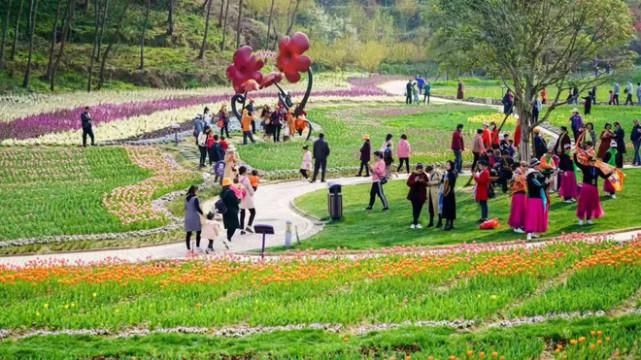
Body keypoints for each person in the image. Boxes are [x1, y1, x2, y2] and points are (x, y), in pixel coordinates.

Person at [574, 152, 611, 225]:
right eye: (591, 161)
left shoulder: (597, 169)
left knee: (591, 204)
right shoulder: (585, 167)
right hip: (586, 187)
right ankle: (580, 219)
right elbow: (577, 163)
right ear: (588, 161)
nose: (593, 163)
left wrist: (611, 173)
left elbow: (604, 176)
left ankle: (588, 219)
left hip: (594, 188)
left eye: (594, 161)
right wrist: (575, 155)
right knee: (583, 203)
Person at [525, 159, 549, 241]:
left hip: (537, 200)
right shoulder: (531, 179)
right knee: (532, 217)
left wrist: (546, 182)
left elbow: (541, 186)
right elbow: (539, 187)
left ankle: (534, 233)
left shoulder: (534, 178)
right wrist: (546, 183)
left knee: (537, 217)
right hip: (533, 200)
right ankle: (529, 233)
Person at [406, 163, 428, 229]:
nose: (420, 172)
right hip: (414, 195)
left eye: (421, 170)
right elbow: (408, 183)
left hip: (422, 195)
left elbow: (427, 183)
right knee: (415, 208)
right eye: (419, 170)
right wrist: (415, 181)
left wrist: (422, 181)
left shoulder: (424, 175)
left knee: (419, 209)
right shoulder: (413, 175)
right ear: (416, 169)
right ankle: (415, 222)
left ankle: (416, 222)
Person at [508, 161, 528, 234]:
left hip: (521, 194)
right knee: (518, 211)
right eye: (524, 165)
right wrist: (522, 176)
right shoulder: (518, 173)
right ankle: (517, 226)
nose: (526, 167)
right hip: (518, 193)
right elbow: (517, 180)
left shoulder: (520, 173)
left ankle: (519, 225)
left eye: (526, 165)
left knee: (520, 210)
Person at [219, 178, 240, 242]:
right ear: (228, 185)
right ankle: (228, 238)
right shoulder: (230, 192)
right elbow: (235, 201)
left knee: (229, 226)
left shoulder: (222, 193)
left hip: (225, 211)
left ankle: (228, 238)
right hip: (232, 211)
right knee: (234, 226)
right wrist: (239, 200)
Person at [184, 185, 203, 252]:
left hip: (187, 216)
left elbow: (185, 208)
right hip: (195, 217)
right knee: (198, 232)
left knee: (188, 233)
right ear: (194, 190)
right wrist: (203, 213)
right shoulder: (195, 198)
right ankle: (197, 247)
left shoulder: (186, 198)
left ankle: (188, 248)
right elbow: (197, 208)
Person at [238, 166, 256, 235]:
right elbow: (250, 188)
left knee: (242, 213)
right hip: (247, 197)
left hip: (240, 197)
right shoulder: (246, 179)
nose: (247, 171)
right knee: (253, 212)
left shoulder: (237, 178)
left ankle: (242, 230)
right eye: (246, 170)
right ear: (244, 172)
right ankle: (248, 226)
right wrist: (252, 193)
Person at [441, 160, 457, 230]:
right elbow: (442, 181)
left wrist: (445, 192)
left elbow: (449, 184)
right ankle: (449, 224)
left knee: (450, 208)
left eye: (448, 165)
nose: (446, 166)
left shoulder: (452, 174)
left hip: (449, 193)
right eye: (446, 164)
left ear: (451, 166)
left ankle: (449, 224)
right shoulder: (447, 173)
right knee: (447, 208)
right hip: (447, 192)